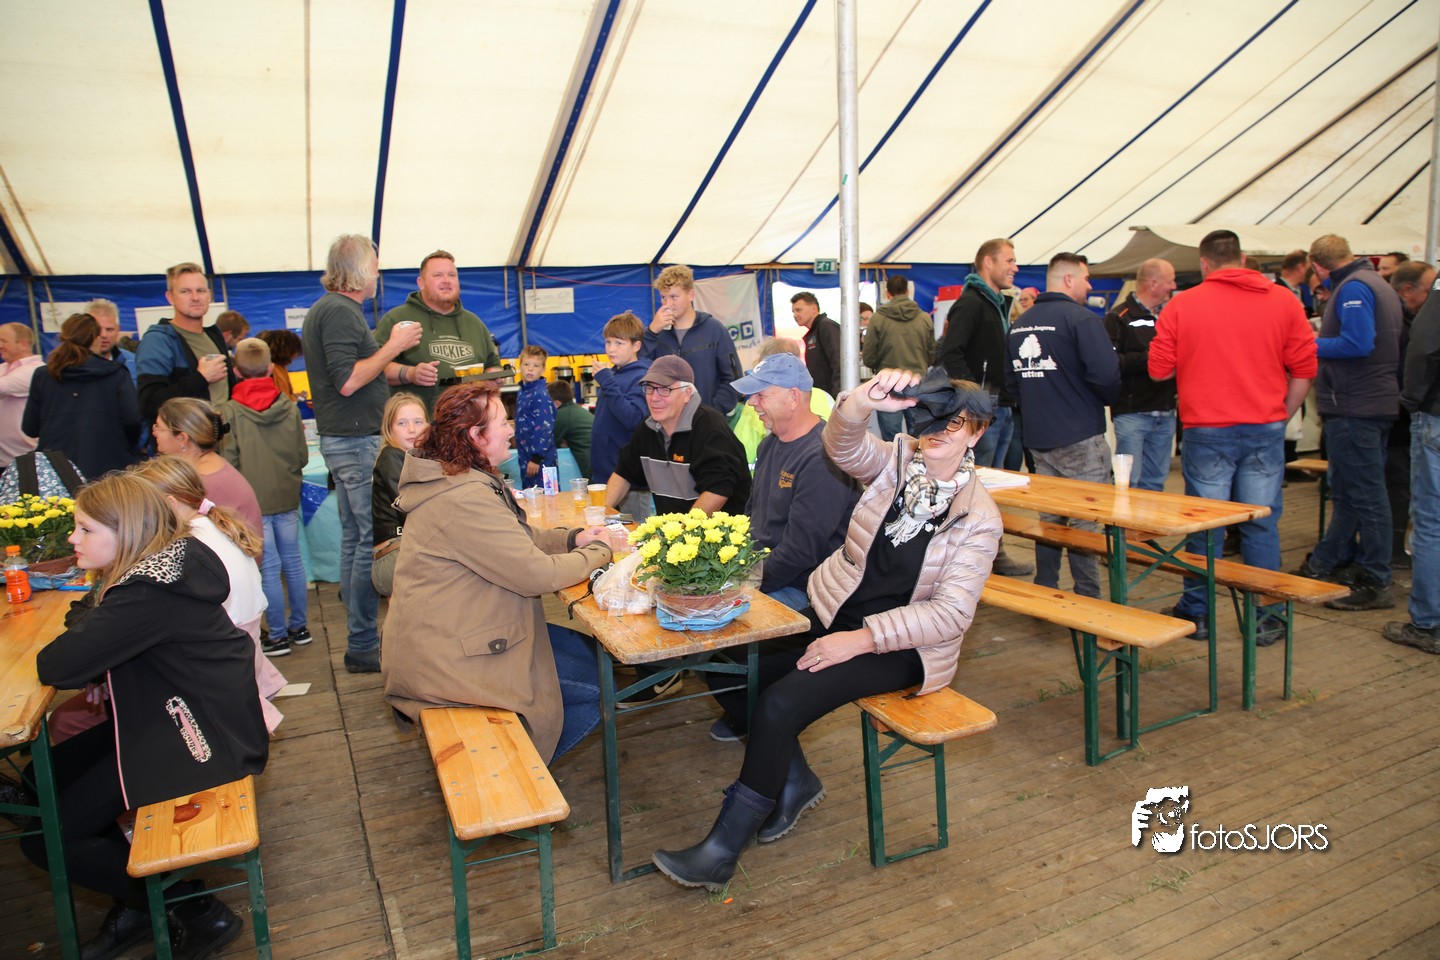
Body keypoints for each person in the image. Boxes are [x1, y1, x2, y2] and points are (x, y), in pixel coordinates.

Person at [652, 368, 1001, 891]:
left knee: (779, 704)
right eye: (932, 420)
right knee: (727, 664)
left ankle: (722, 851)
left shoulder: (979, 517)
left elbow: (950, 614)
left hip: (902, 646)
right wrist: (864, 400)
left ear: (977, 432)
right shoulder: (897, 462)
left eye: (955, 424)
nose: (937, 433)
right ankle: (792, 781)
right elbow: (841, 445)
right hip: (836, 610)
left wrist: (859, 640)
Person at [21, 472, 267, 960]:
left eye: (86, 528)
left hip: (200, 739)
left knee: (46, 839)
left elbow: (58, 665)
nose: (73, 538)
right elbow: (90, 631)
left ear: (126, 533)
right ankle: (134, 900)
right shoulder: (160, 570)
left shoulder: (146, 593)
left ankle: (193, 909)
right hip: (177, 717)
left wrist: (93, 629)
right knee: (37, 782)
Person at [381, 381, 612, 760]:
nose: (511, 430)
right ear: (476, 435)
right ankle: (520, 777)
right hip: (447, 661)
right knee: (597, 688)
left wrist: (573, 538)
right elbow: (538, 575)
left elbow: (514, 538)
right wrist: (602, 550)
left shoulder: (457, 478)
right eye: (503, 422)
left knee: (594, 660)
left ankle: (522, 772)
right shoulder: (464, 496)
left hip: (453, 634)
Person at [1149, 229, 1317, 644]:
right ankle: (1267, 618)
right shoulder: (1284, 301)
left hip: (1207, 429)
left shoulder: (1182, 304)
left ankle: (1198, 613)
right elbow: (1304, 369)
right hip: (1264, 427)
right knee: (1261, 523)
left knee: (1206, 526)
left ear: (1204, 263)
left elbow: (1159, 371)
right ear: (1242, 259)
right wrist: (1281, 414)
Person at [301, 234, 423, 674]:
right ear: (357, 271)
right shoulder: (338, 311)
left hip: (349, 438)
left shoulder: (336, 310)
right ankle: (363, 642)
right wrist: (394, 343)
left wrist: (406, 371)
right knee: (371, 543)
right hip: (354, 440)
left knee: (356, 539)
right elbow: (349, 380)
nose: (377, 273)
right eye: (373, 265)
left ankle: (362, 639)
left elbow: (364, 370)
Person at [130, 455, 287, 734]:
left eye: (143, 510)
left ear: (169, 504)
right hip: (244, 648)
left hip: (222, 661)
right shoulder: (214, 526)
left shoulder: (189, 547)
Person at [1291, 234, 1404, 611]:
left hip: (1356, 404)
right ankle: (1335, 559)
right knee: (1349, 491)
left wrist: (1309, 342)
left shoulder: (1354, 287)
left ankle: (1375, 578)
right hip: (1369, 401)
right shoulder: (1376, 283)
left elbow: (1357, 343)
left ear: (1318, 266)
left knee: (1367, 496)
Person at [1006, 253, 1121, 598]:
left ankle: (1046, 586)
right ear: (1069, 279)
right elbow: (1108, 377)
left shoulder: (1019, 325)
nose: (1090, 285)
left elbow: (1011, 385)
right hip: (1080, 435)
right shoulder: (1081, 319)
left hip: (1039, 438)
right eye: (1086, 278)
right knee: (1086, 521)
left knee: (1051, 519)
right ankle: (1088, 597)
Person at [215, 338, 312, 657]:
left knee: (268, 567)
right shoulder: (288, 405)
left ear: (235, 371)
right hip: (286, 493)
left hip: (251, 500)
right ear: (271, 368)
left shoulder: (229, 411)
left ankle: (278, 635)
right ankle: (300, 628)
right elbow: (301, 455)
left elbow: (228, 460)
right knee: (293, 561)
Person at [606, 355, 751, 517]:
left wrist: (683, 529)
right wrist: (600, 514)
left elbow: (717, 491)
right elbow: (624, 473)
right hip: (673, 529)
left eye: (664, 390)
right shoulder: (647, 429)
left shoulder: (710, 427)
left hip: (718, 530)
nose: (654, 397)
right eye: (649, 388)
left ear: (687, 393)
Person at [1385, 270, 1440, 653]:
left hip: (1435, 414)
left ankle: (1428, 622)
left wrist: (1411, 400)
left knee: (1431, 523)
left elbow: (1425, 348)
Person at [374, 249, 502, 412]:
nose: (446, 280)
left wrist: (494, 377)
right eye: (438, 275)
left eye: (452, 275)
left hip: (470, 422)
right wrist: (410, 374)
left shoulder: (475, 324)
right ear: (421, 283)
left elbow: (492, 365)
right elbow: (375, 368)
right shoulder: (397, 319)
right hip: (421, 424)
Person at [22, 313, 141, 479]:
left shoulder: (44, 375)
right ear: (96, 338)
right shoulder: (116, 373)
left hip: (57, 469)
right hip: (108, 466)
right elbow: (133, 419)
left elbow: (30, 428)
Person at [939, 238, 1020, 464]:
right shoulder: (970, 304)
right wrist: (977, 398)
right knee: (979, 477)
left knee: (996, 477)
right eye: (1010, 261)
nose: (1015, 268)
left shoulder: (997, 305)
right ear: (989, 262)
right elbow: (950, 354)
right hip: (984, 410)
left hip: (1003, 406)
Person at [1103, 258, 1178, 492]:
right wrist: (1153, 358)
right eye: (1170, 281)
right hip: (1132, 414)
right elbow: (1111, 362)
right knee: (1128, 483)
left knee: (1155, 483)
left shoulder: (1170, 316)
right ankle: (1122, 518)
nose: (1174, 286)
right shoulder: (1118, 317)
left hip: (1165, 413)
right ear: (1153, 283)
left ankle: (1150, 519)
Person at [135, 262, 234, 426]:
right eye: (185, 291)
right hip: (187, 439)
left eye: (200, 290)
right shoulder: (158, 341)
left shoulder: (214, 336)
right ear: (170, 297)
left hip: (223, 437)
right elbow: (149, 404)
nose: (195, 297)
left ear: (209, 295)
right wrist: (201, 378)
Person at [1384, 261, 1436, 570]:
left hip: (1422, 413)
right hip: (1408, 416)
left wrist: (1411, 400)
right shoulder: (1401, 316)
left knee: (1426, 513)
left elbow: (1424, 351)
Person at [154, 397, 262, 537]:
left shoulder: (203, 482)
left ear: (182, 438)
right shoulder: (209, 466)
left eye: (159, 427)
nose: (154, 432)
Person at [643, 264, 743, 413]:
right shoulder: (657, 334)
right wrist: (651, 333)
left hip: (707, 419)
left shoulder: (714, 329)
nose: (668, 304)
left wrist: (713, 412)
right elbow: (639, 371)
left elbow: (734, 377)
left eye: (674, 297)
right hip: (668, 420)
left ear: (690, 295)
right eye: (663, 297)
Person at [590, 311, 653, 519]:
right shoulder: (614, 374)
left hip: (630, 481)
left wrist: (607, 381)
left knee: (634, 533)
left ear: (636, 346)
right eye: (608, 342)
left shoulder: (643, 376)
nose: (611, 349)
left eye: (619, 343)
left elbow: (633, 419)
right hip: (605, 474)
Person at [863, 274, 935, 441]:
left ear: (887, 293)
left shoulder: (878, 318)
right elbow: (932, 355)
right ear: (908, 292)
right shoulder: (924, 318)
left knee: (891, 440)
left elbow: (869, 357)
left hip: (888, 383)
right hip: (918, 382)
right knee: (919, 438)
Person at [372, 392, 428, 598]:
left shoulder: (418, 458)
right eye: (402, 423)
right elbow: (410, 507)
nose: (412, 429)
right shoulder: (391, 457)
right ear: (389, 429)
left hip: (409, 546)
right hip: (395, 551)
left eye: (418, 422)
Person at [0, 322, 43, 469]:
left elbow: (3, 387)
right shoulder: (3, 368)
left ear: (23, 344)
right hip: (5, 458)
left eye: (4, 341)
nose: (0, 346)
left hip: (25, 458)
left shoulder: (35, 370)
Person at [515, 344, 556, 488]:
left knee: (547, 495)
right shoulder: (522, 392)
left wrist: (537, 458)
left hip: (540, 460)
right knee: (530, 494)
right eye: (526, 364)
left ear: (543, 369)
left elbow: (545, 427)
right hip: (525, 456)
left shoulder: (540, 395)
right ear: (520, 366)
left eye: (536, 365)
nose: (530, 369)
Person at [791, 291, 841, 396]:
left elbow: (839, 361)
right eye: (793, 311)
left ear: (814, 309)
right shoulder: (813, 332)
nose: (795, 315)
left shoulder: (826, 326)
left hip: (832, 395)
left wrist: (837, 396)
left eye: (799, 310)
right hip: (821, 394)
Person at [84, 299, 138, 382]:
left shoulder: (134, 362)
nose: (103, 335)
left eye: (109, 329)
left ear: (118, 330)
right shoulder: (70, 364)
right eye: (97, 329)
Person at [549, 379, 593, 477]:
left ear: (556, 404)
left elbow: (549, 443)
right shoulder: (578, 410)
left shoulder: (561, 415)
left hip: (589, 461)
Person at [257, 328, 304, 401]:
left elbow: (286, 396)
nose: (296, 356)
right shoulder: (271, 370)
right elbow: (279, 400)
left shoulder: (280, 368)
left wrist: (296, 397)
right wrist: (296, 398)